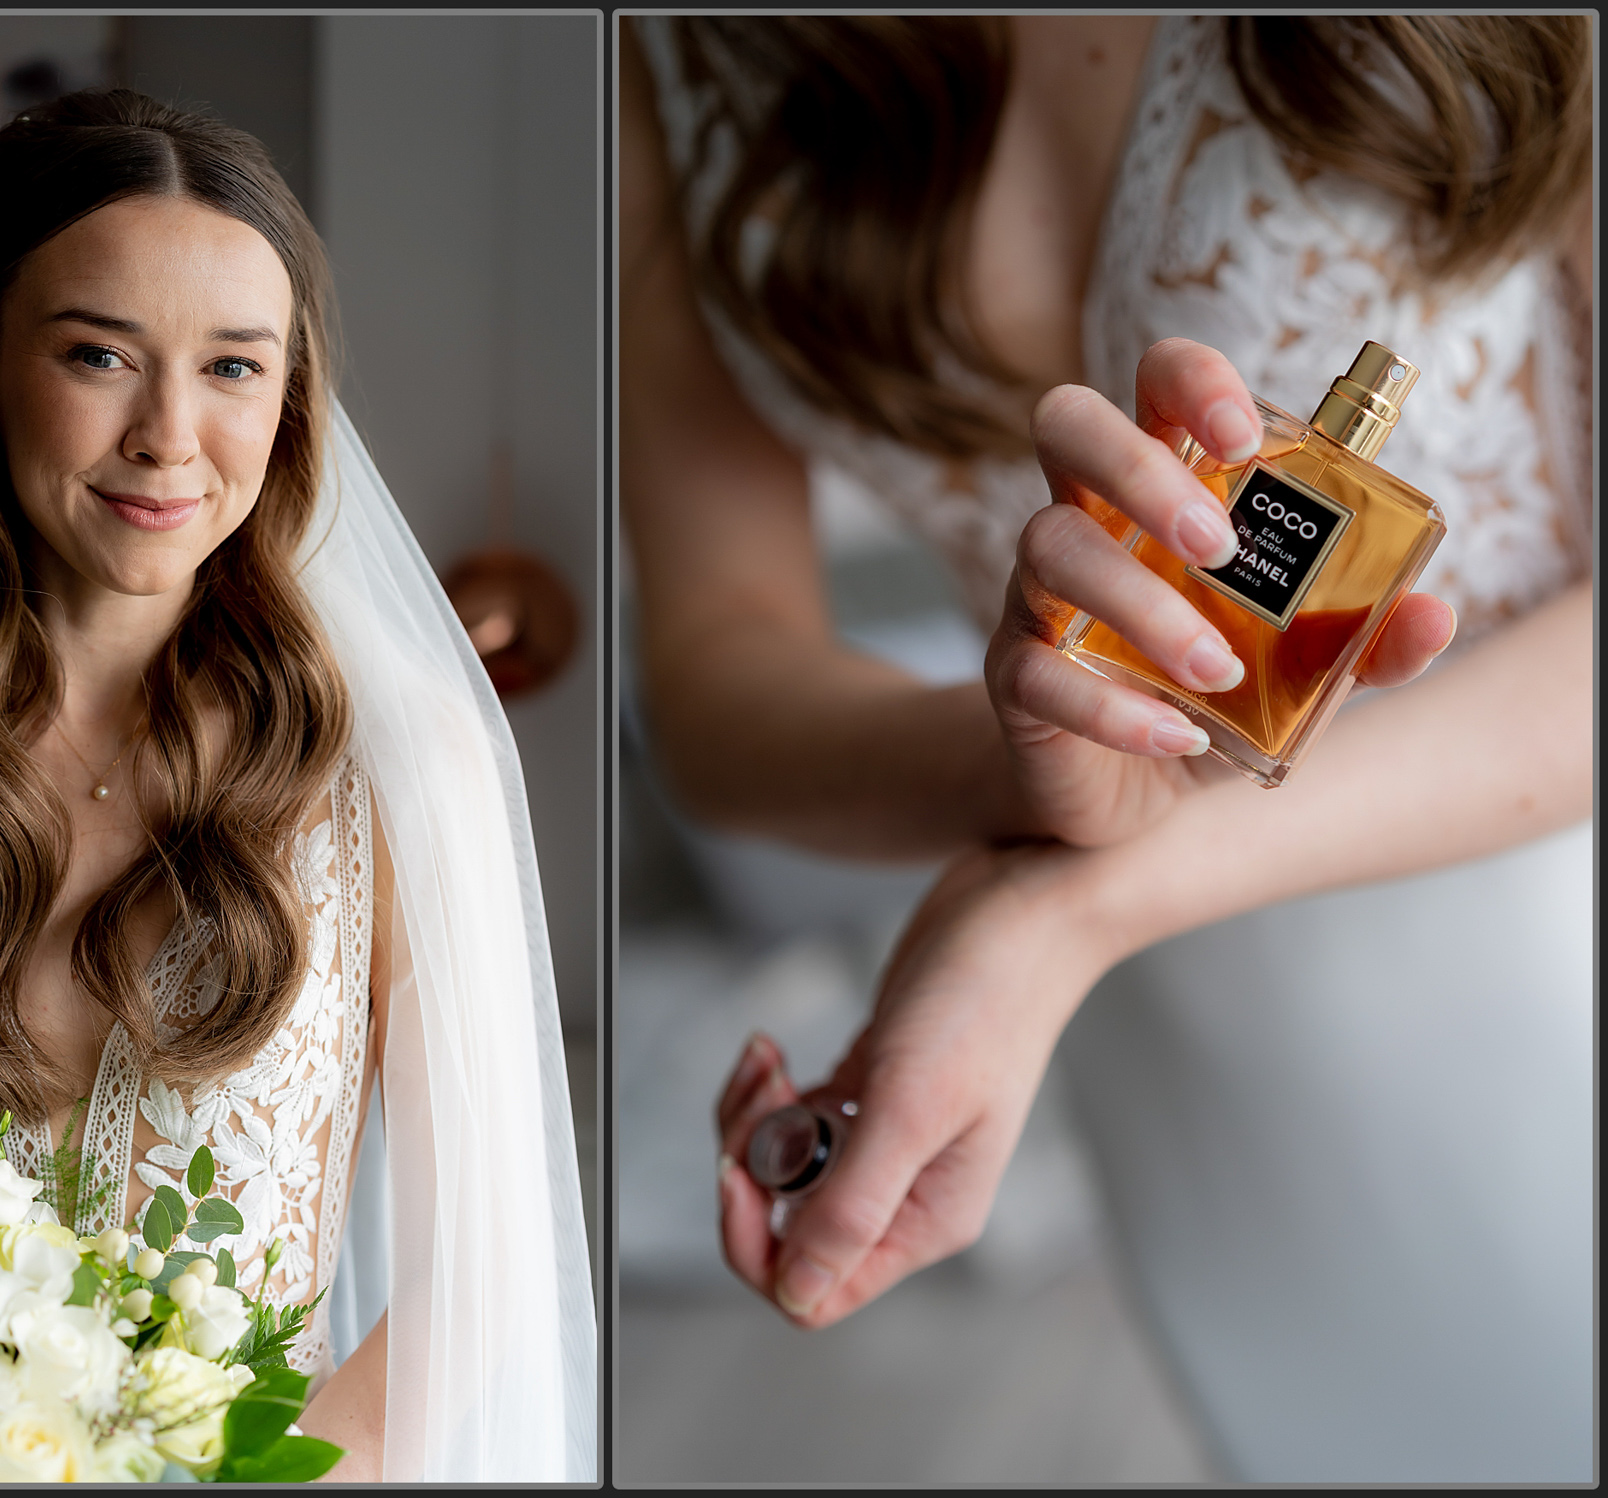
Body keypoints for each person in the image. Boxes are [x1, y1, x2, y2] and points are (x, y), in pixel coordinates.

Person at [623, 15, 1590, 1482]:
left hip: (1540, 949)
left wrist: (1062, 897)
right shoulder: (670, 50)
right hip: (1181, 1046)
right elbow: (713, 663)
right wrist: (1015, 761)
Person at [0, 89, 593, 1482]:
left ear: (291, 398)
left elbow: (486, 1286)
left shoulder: (398, 773)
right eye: (100, 354)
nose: (169, 434)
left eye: (233, 368)